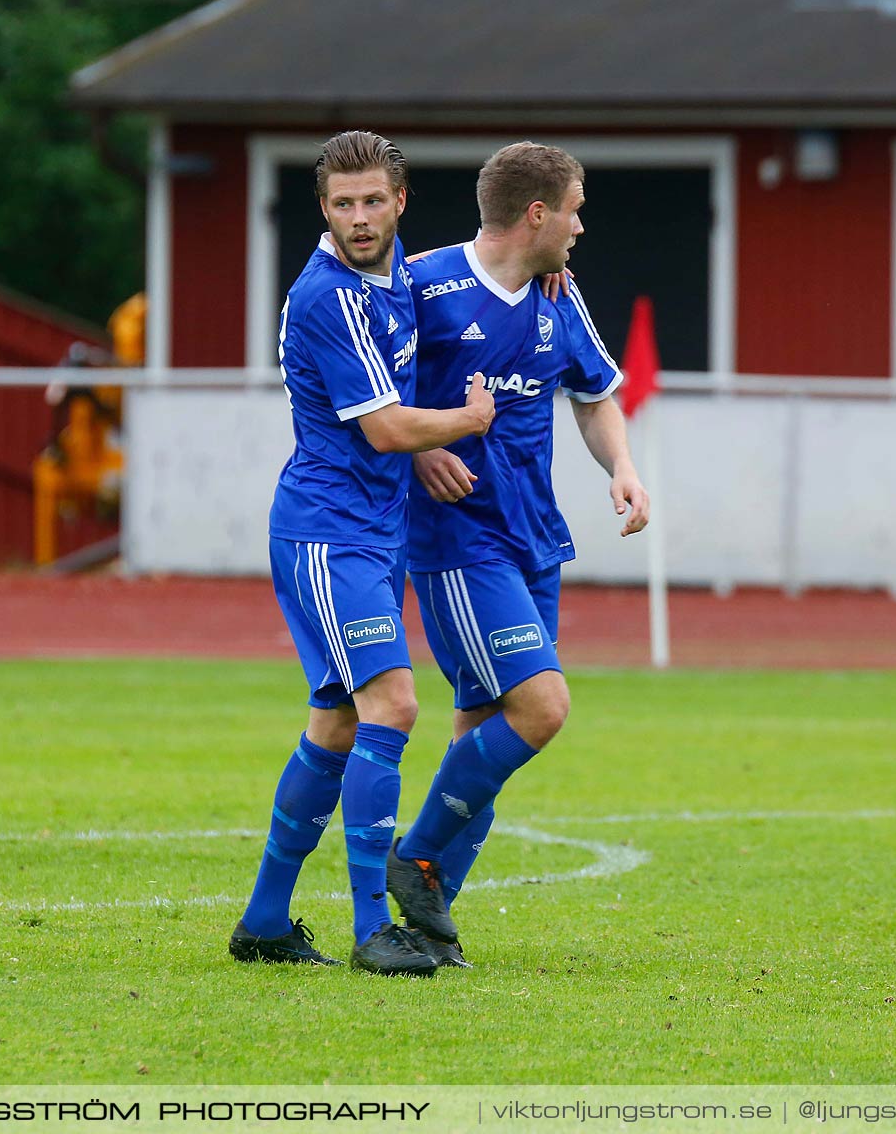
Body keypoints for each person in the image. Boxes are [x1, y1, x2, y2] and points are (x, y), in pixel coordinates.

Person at [228, 130, 495, 976]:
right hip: (325, 532)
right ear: (323, 210)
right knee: (395, 705)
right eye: (343, 204)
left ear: (400, 200)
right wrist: (462, 423)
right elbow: (382, 426)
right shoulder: (326, 297)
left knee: (337, 722)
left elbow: (475, 264)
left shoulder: (397, 276)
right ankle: (374, 926)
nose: (359, 217)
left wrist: (542, 264)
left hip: (373, 532)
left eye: (373, 200)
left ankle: (266, 922)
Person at [384, 142, 650, 966]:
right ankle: (415, 858)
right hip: (460, 541)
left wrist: (625, 469)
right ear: (536, 212)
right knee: (542, 709)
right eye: (573, 208)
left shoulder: (557, 297)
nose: (580, 226)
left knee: (481, 733)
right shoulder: (423, 286)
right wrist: (416, 450)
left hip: (535, 538)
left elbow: (598, 394)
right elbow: (365, 394)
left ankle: (425, 929)